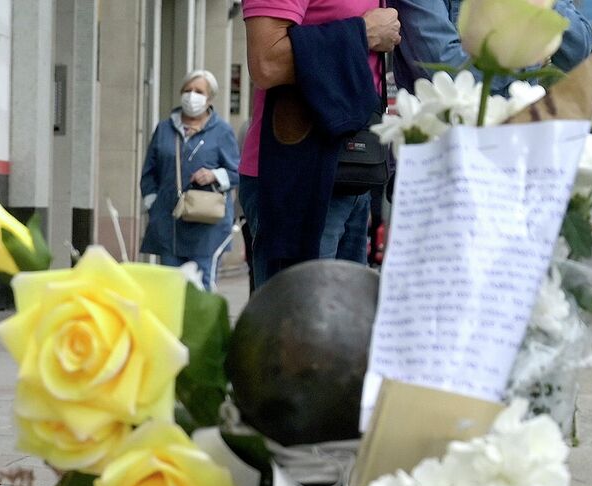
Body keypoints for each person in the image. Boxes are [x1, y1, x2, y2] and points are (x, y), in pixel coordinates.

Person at [242, 0, 402, 286]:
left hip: (353, 173)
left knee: (344, 311)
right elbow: (266, 63)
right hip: (299, 174)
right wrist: (365, 33)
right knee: (298, 309)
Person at [139, 70, 241, 290]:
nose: (192, 95)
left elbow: (236, 172)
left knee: (201, 288)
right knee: (170, 289)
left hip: (206, 226)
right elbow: (149, 173)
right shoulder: (165, 129)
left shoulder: (221, 131)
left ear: (209, 98)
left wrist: (214, 175)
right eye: (187, 90)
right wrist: (154, 204)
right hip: (170, 223)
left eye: (199, 91)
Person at [389, 0, 592, 92]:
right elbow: (444, 68)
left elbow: (578, 51)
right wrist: (531, 59)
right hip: (448, 146)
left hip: (519, 137)